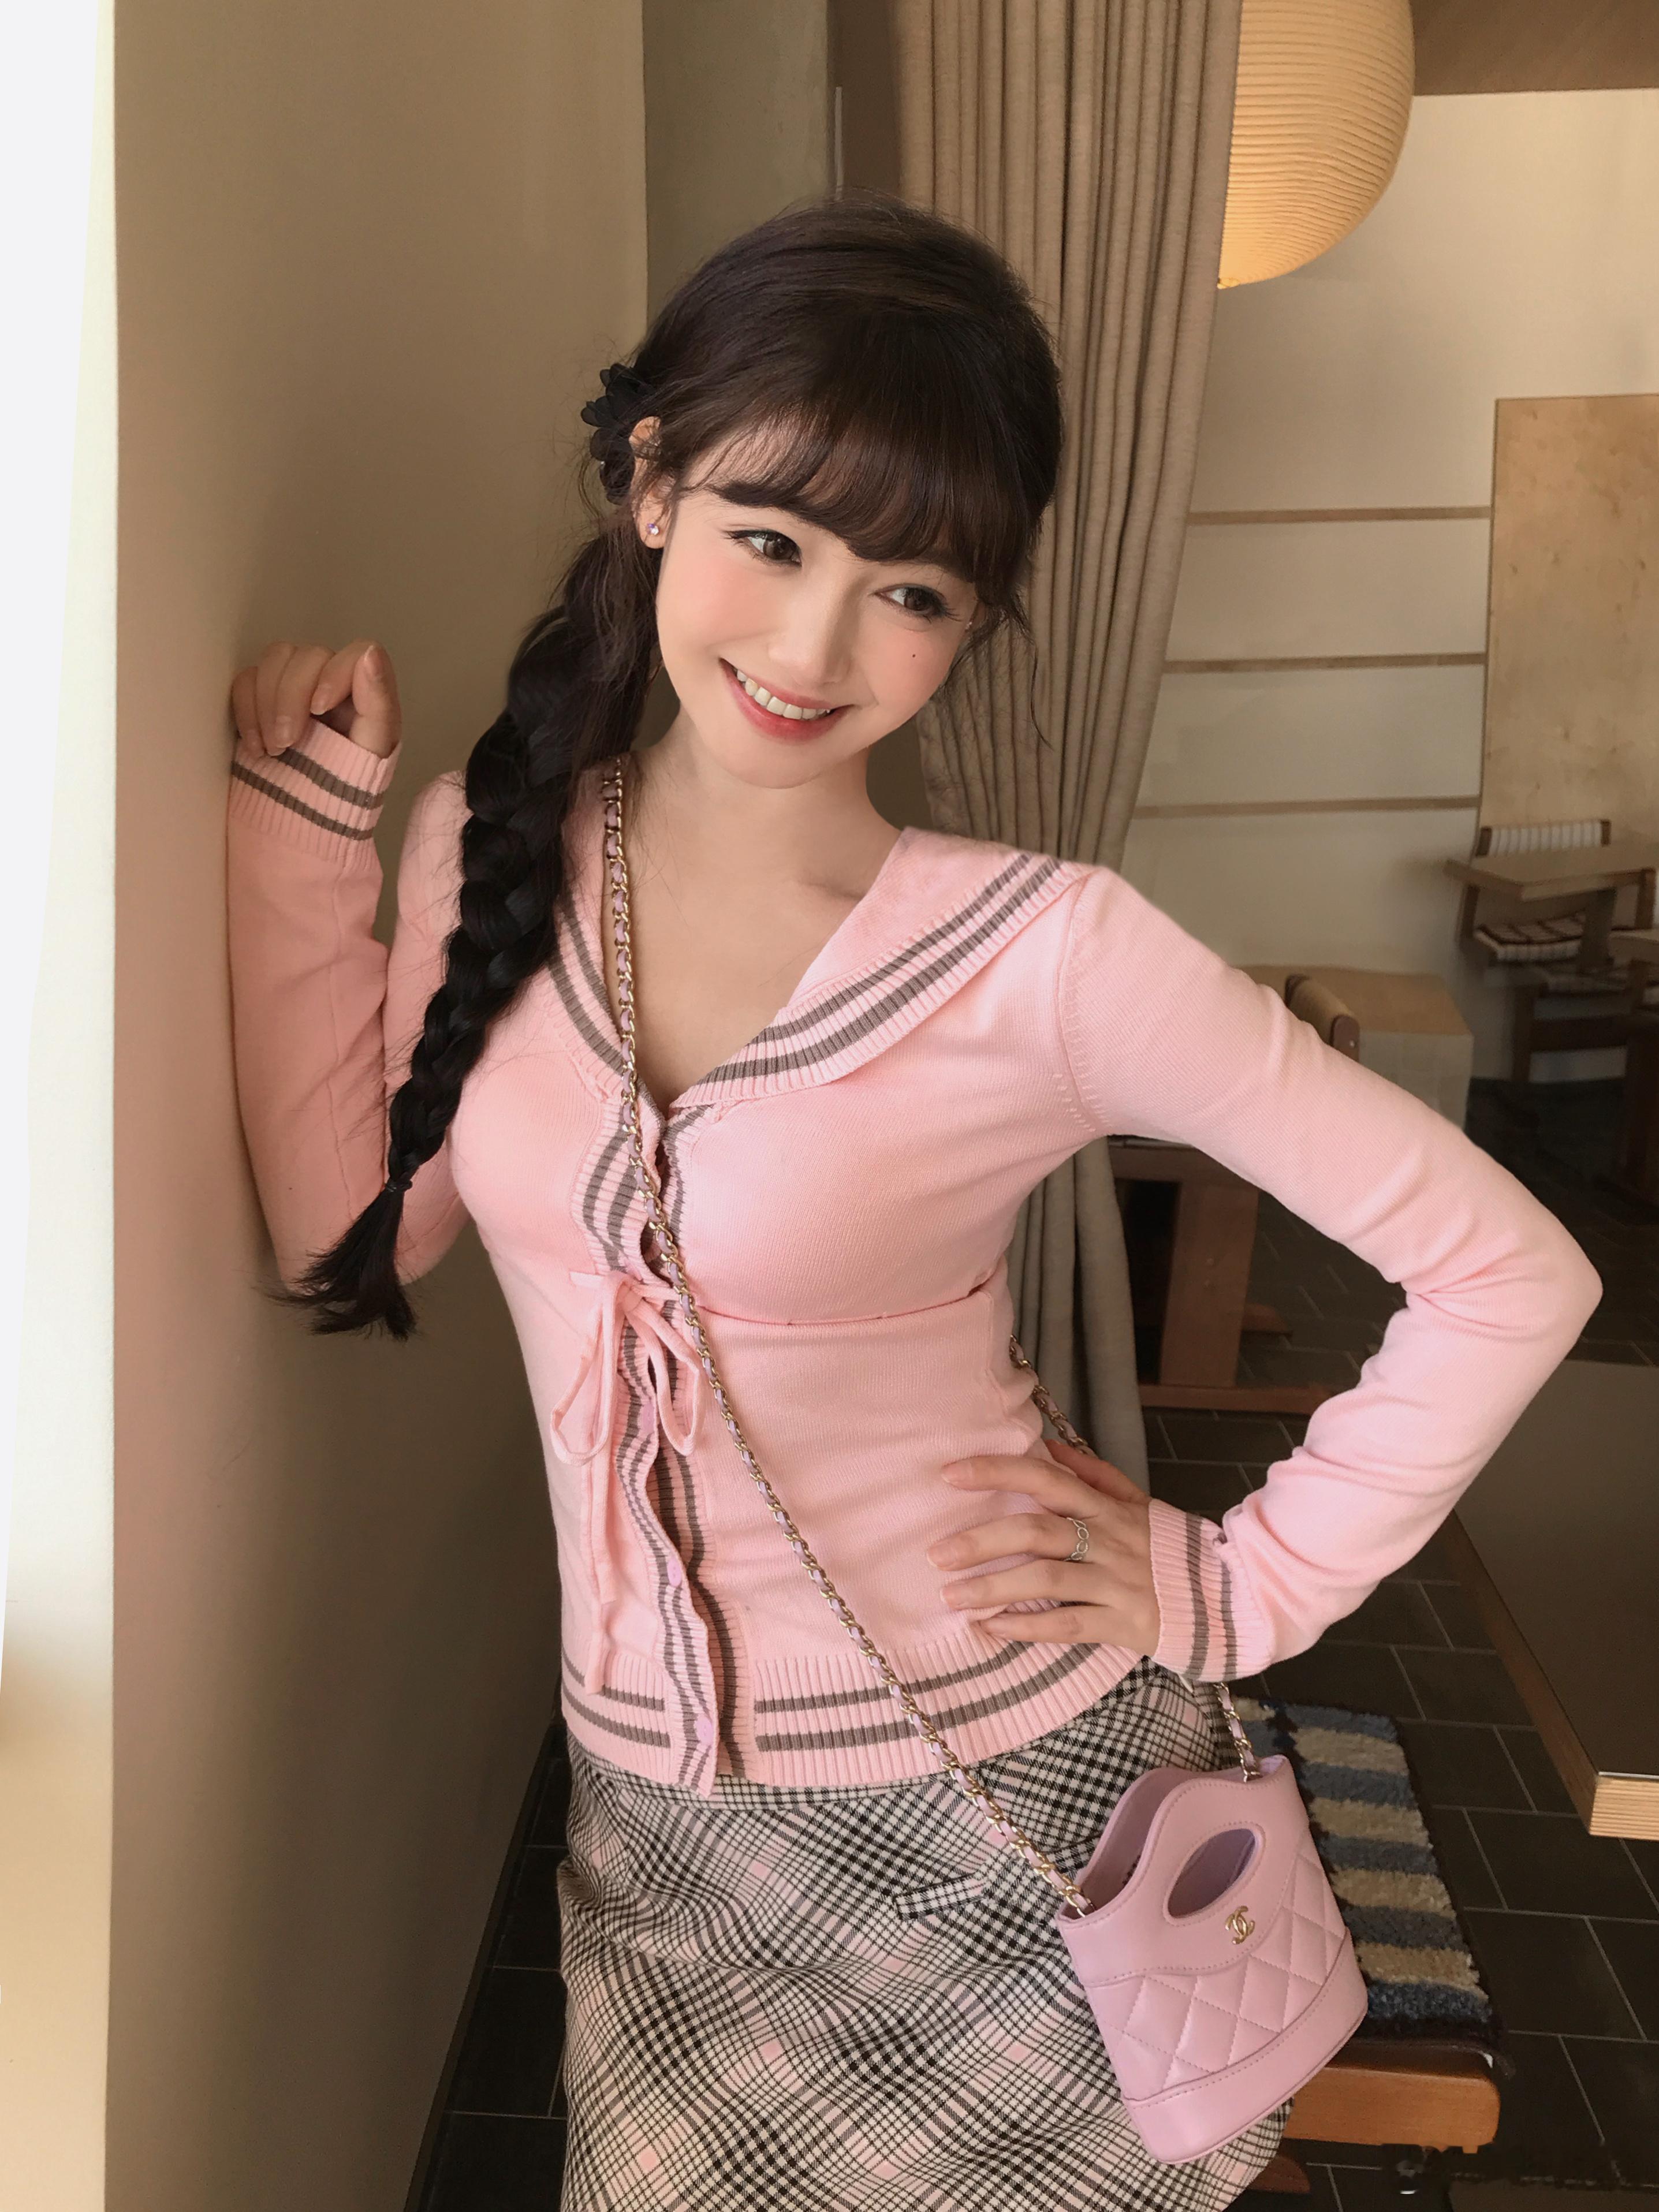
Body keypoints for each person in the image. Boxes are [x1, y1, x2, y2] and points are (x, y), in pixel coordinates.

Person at [225, 194, 1600, 2211]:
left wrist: (1241, 1587)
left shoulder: (1047, 953)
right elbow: (345, 1225)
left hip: (1012, 1805)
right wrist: (302, 837)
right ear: (651, 485)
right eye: (772, 539)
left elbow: (1508, 1269)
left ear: (975, 620)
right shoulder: (490, 844)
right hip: (659, 1826)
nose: (812, 649)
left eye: (912, 591)